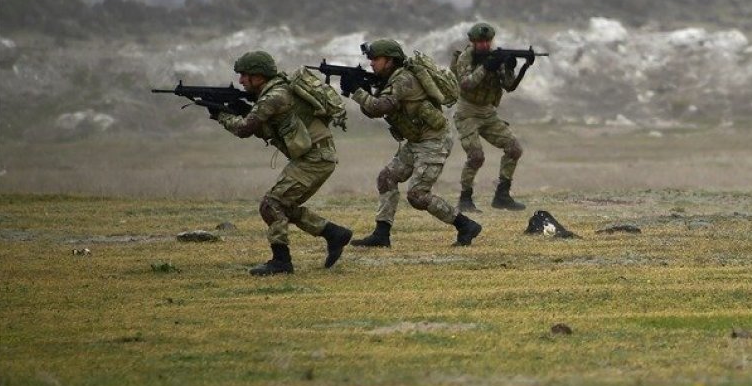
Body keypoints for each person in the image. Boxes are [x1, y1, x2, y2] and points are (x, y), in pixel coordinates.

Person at [218, 51, 353, 276]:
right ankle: (334, 233)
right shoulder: (276, 91)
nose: (240, 81)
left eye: (244, 75)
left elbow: (244, 129)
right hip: (316, 156)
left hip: (315, 159)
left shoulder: (274, 96)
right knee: (283, 206)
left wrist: (221, 115)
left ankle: (281, 262)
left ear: (258, 76)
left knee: (271, 205)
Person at [344, 39, 482, 248]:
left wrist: (357, 91)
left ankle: (466, 225)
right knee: (387, 178)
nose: (371, 63)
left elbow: (381, 107)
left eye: (376, 59)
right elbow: (374, 110)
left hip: (434, 140)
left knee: (417, 195)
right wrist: (363, 90)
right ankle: (381, 235)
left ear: (390, 61)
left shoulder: (403, 79)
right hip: (417, 140)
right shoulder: (391, 79)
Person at [451, 22, 533, 212]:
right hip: (467, 112)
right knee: (476, 157)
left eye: (487, 41)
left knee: (514, 149)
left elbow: (509, 86)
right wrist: (486, 67)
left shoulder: (496, 57)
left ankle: (502, 196)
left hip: (488, 112)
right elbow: (466, 84)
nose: (485, 45)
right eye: (480, 42)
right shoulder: (465, 58)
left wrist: (515, 67)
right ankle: (465, 199)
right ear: (473, 42)